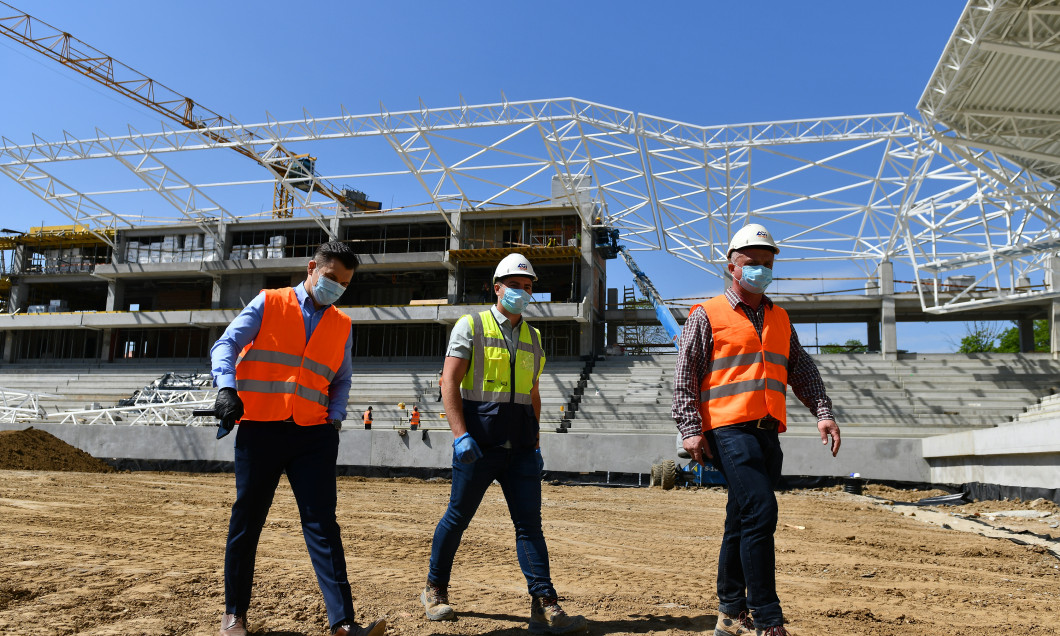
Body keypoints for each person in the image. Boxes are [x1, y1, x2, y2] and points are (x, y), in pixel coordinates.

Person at [670, 224, 841, 636]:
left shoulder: (780, 318)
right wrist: (691, 429)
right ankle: (766, 618)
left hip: (767, 432)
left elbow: (800, 368)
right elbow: (685, 374)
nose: (761, 270)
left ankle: (729, 614)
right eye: (753, 263)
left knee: (741, 518)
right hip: (726, 429)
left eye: (767, 263)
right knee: (762, 511)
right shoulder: (707, 314)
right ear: (733, 266)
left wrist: (822, 411)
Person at [210, 240, 385, 636]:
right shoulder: (269, 302)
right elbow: (226, 344)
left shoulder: (342, 324)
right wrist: (226, 389)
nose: (336, 288)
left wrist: (335, 419)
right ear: (312, 268)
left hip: (314, 436)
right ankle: (234, 615)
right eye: (331, 278)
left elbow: (341, 379)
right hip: (261, 430)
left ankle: (343, 623)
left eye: (344, 284)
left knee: (324, 526)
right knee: (247, 523)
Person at [419, 253, 587, 634]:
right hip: (478, 445)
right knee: (457, 518)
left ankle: (545, 603)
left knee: (530, 526)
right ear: (497, 288)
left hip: (523, 448)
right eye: (515, 286)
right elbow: (449, 382)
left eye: (528, 287)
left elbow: (533, 392)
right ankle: (435, 589)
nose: (522, 292)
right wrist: (460, 435)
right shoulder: (471, 325)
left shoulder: (534, 336)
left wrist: (538, 442)